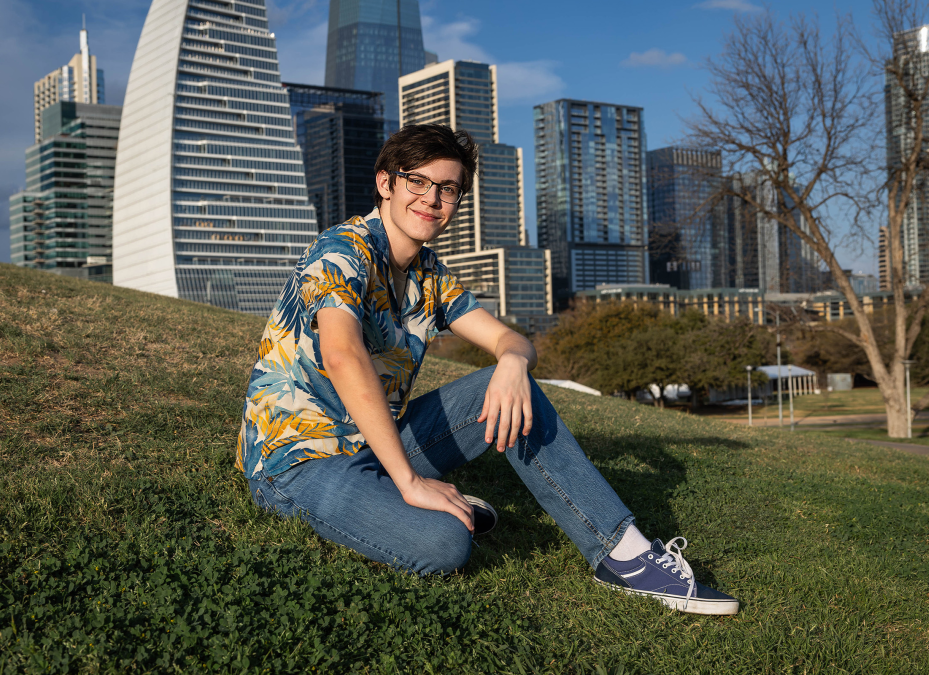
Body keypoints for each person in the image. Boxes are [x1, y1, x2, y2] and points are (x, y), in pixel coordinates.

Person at [237, 124, 739, 615]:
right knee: (446, 544)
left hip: (372, 440)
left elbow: (508, 339)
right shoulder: (342, 252)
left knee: (512, 388)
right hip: (299, 460)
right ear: (386, 183)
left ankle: (623, 555)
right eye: (417, 181)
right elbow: (342, 356)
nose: (431, 199)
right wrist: (410, 480)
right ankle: (404, 495)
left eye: (448, 188)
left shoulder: (429, 275)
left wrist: (515, 363)